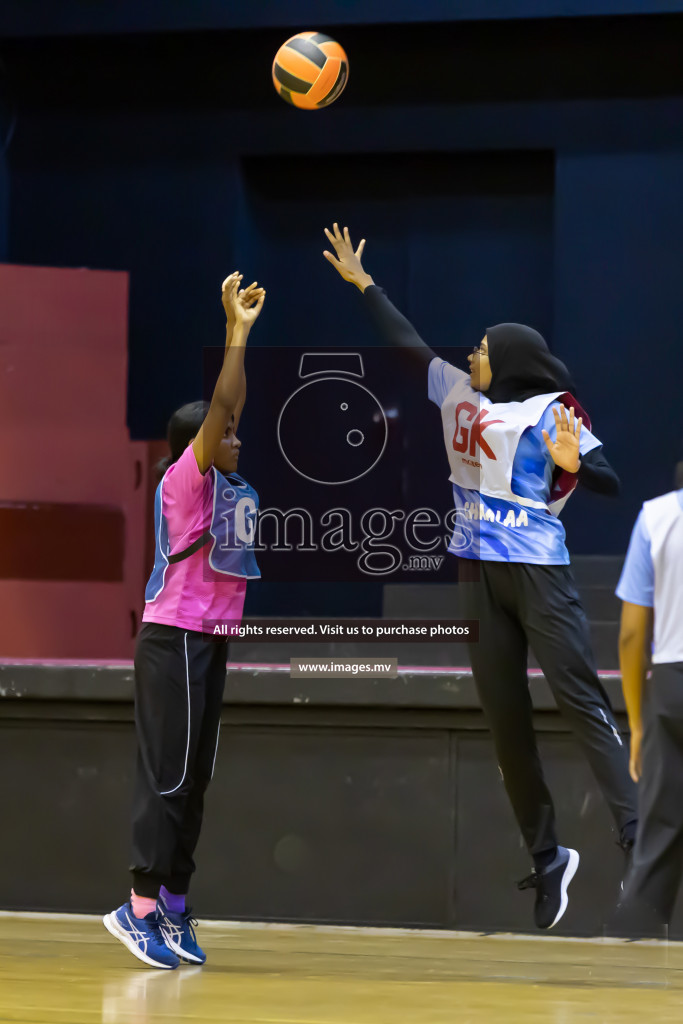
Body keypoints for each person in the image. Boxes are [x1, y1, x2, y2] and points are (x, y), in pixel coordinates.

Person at [322, 223, 637, 930]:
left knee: (582, 706)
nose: (471, 352)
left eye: (484, 348)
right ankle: (548, 855)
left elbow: (612, 481)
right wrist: (364, 284)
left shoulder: (550, 412)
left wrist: (574, 461)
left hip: (536, 574)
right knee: (504, 722)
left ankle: (638, 841)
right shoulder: (456, 390)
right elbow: (407, 344)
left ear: (512, 361)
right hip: (476, 574)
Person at [103, 272, 265, 969]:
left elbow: (236, 405)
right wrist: (236, 332)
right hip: (174, 640)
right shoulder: (185, 478)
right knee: (167, 776)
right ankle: (135, 908)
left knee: (195, 780)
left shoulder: (229, 483)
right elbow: (224, 404)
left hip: (210, 642)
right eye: (224, 433)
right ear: (196, 444)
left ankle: (172, 905)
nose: (236, 437)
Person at [614, 451, 683, 934]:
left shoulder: (656, 517)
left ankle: (629, 957)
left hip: (672, 686)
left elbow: (632, 635)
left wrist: (637, 725)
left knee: (660, 833)